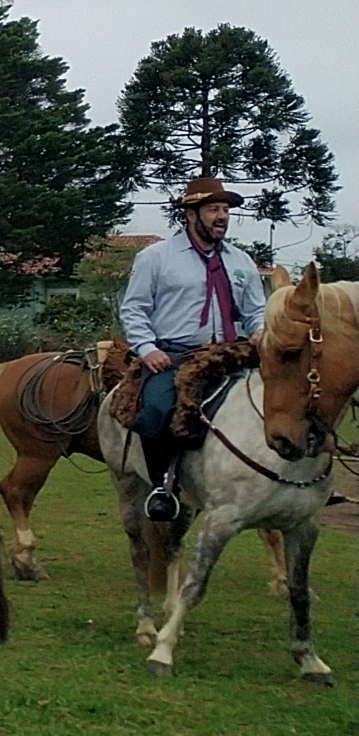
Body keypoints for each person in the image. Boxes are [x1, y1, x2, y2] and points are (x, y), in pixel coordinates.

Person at [119, 176, 265, 521]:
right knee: (156, 410)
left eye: (226, 209)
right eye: (213, 209)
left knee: (292, 393)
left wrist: (260, 329)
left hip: (233, 353)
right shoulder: (156, 258)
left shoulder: (242, 261)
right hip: (175, 355)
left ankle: (303, 477)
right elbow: (134, 308)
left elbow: (255, 309)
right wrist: (147, 348)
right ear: (190, 214)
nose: (222, 216)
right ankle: (162, 487)